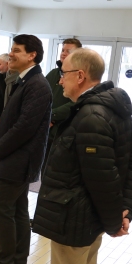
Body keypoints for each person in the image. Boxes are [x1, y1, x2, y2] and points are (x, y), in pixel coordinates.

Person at [23, 48, 132, 264]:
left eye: (63, 74)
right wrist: (123, 210)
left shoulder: (90, 116)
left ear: (80, 76)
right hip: (89, 217)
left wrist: (115, 220)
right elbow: (130, 163)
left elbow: (102, 177)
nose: (59, 80)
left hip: (74, 216)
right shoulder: (111, 108)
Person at [0, 34, 51, 264]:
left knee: (1, 207)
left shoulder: (37, 85)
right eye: (11, 49)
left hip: (19, 160)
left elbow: (24, 127)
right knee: (18, 210)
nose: (11, 53)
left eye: (17, 50)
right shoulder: (25, 81)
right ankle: (18, 261)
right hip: (17, 158)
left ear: (32, 55)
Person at [43, 38, 82, 173]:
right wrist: (44, 116)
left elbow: (77, 102)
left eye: (68, 51)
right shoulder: (53, 73)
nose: (63, 53)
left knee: (57, 171)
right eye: (62, 50)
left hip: (63, 132)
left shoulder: (79, 76)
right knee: (44, 170)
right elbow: (41, 96)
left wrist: (52, 116)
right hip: (46, 131)